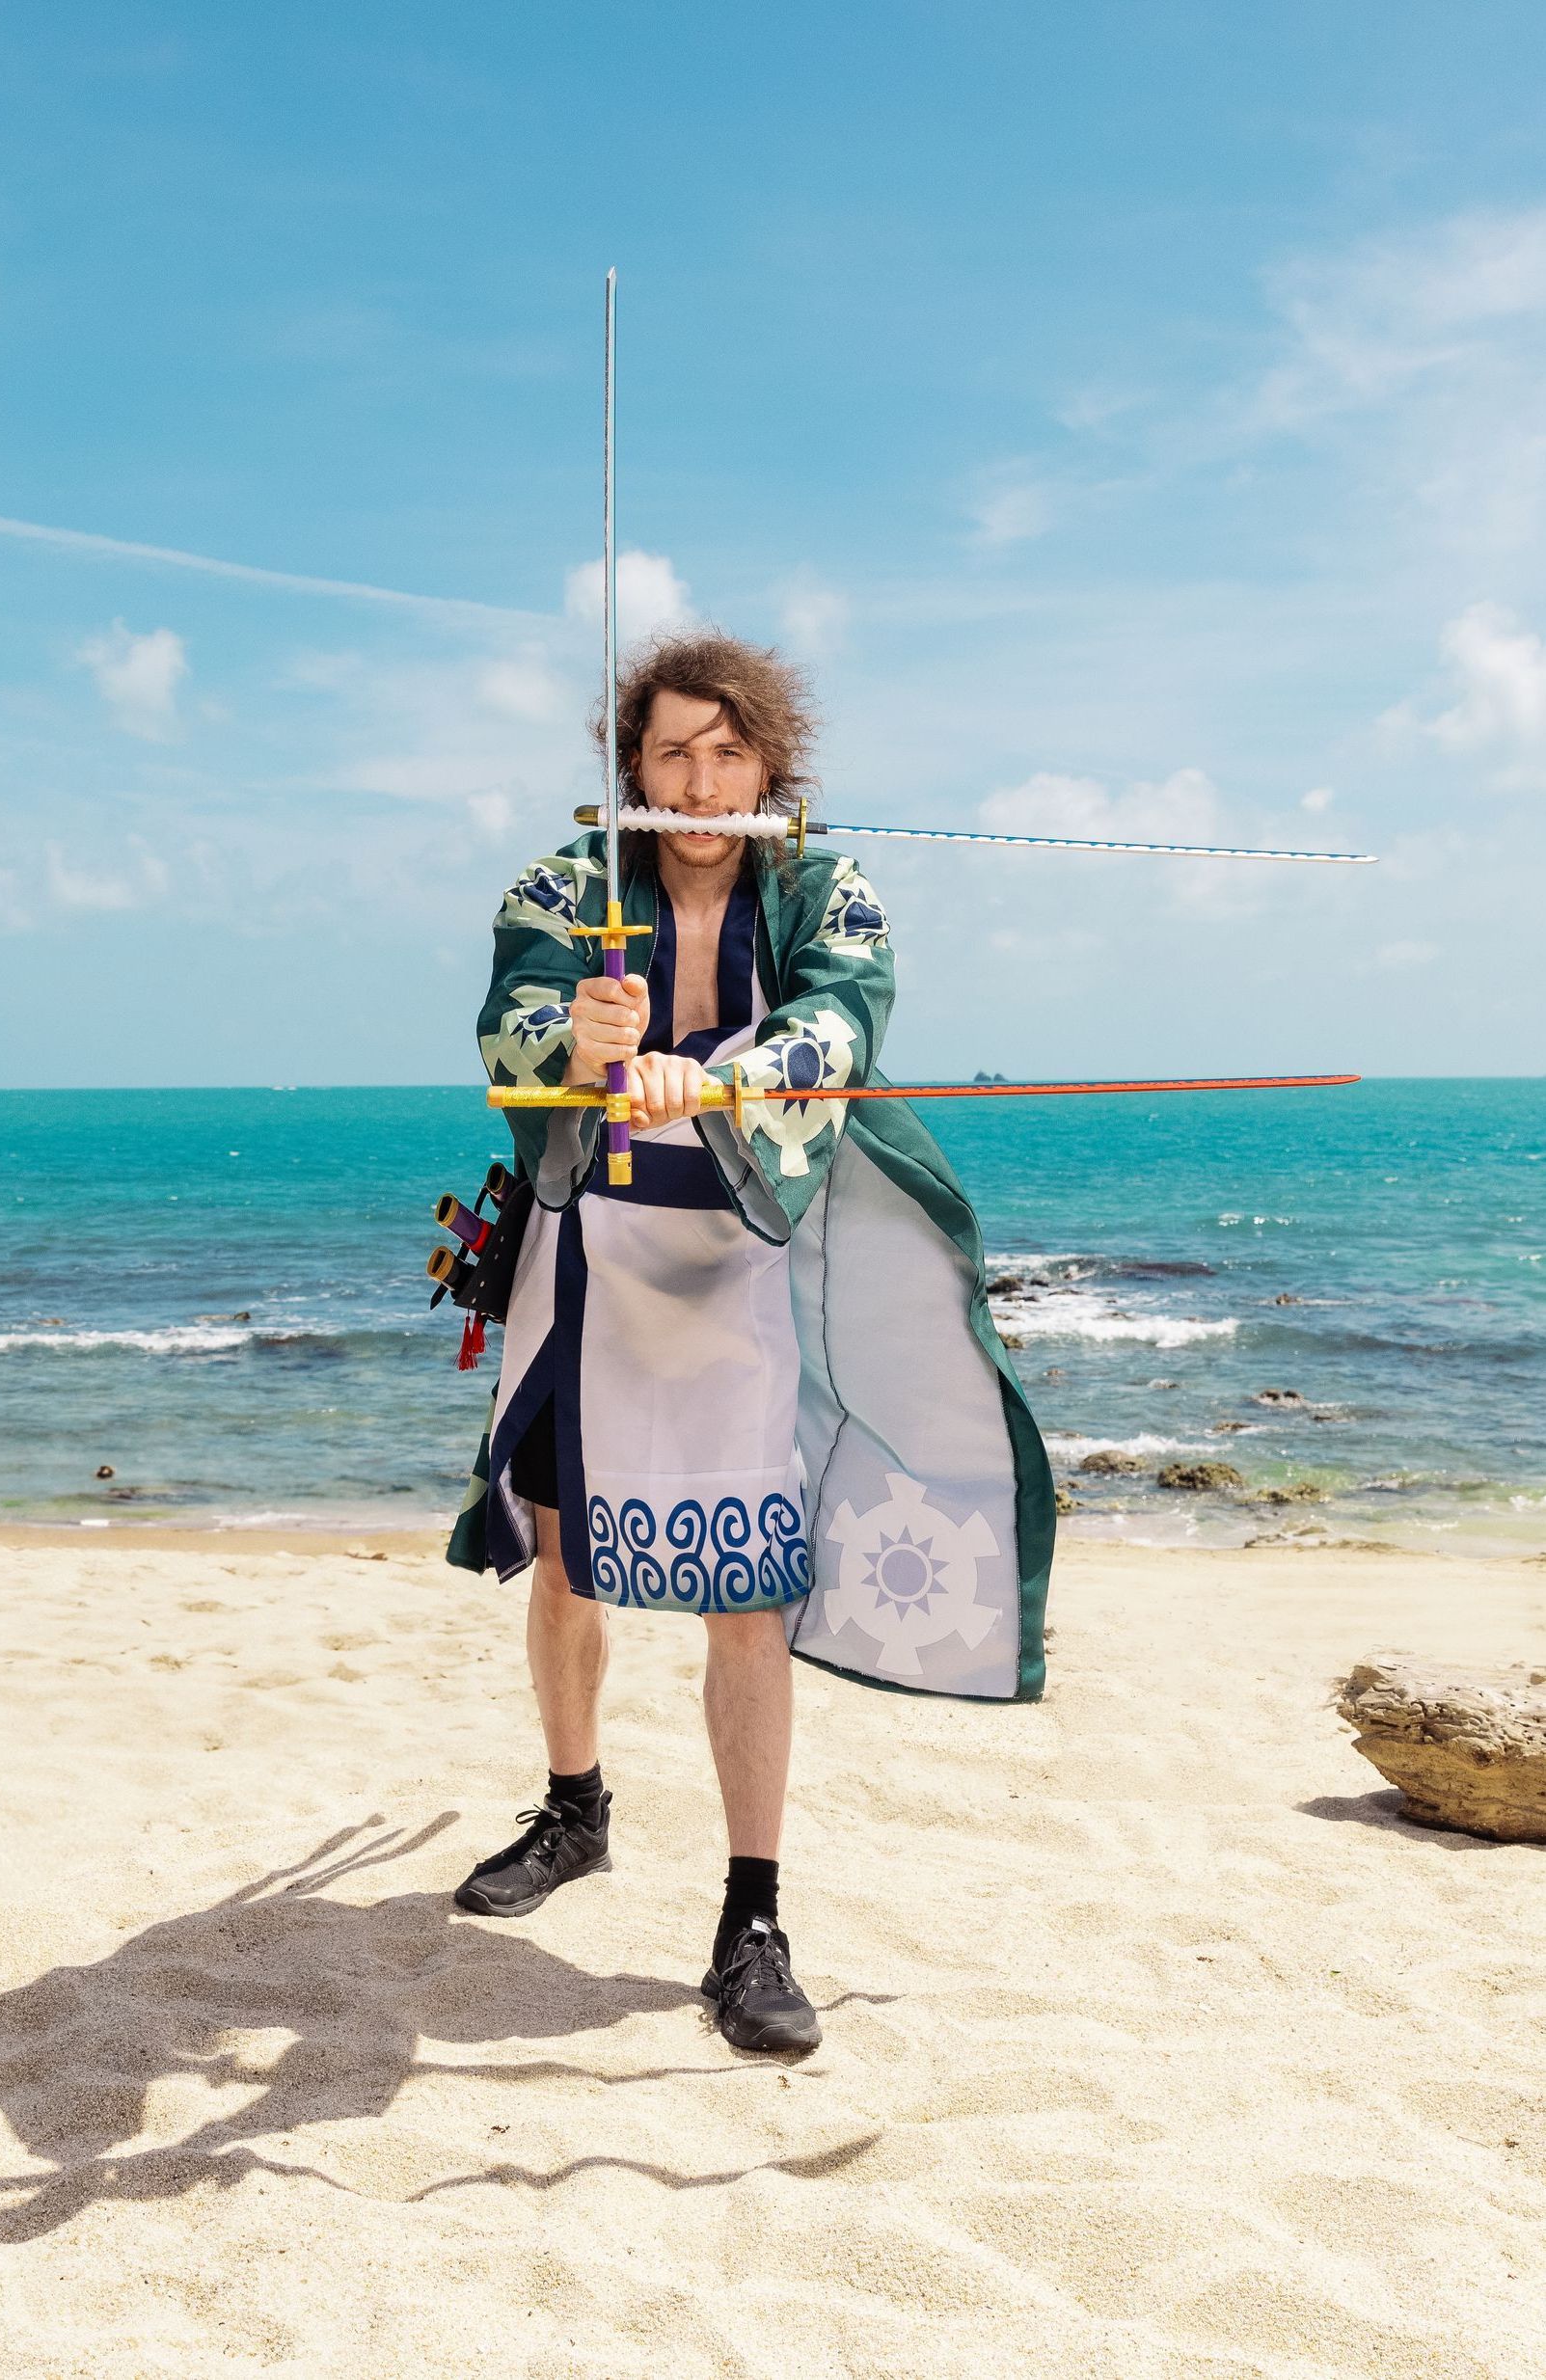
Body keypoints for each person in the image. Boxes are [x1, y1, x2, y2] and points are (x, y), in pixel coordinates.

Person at [446, 631, 1054, 2056]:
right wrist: (586, 1040)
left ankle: (752, 1918)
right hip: (589, 1244)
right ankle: (576, 1807)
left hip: (748, 1262)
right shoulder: (566, 884)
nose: (700, 781)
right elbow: (511, 1030)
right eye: (671, 751)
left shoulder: (827, 886)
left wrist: (712, 1070)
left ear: (772, 768)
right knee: (563, 1542)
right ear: (632, 765)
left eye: (728, 753)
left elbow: (841, 1025)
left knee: (749, 1585)